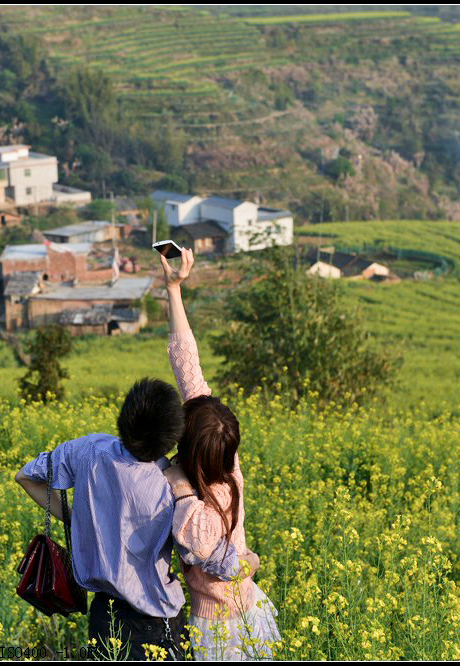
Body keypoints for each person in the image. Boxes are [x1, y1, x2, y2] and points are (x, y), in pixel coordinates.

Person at [15, 373, 258, 661]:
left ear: (125, 416)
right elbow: (205, 553)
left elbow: (26, 476)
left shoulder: (89, 449)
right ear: (172, 438)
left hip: (103, 617)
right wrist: (247, 563)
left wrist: (78, 519)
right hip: (156, 621)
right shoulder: (172, 485)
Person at [158, 247, 282, 661]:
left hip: (221, 631)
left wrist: (253, 560)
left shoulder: (195, 513)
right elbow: (187, 364)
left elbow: (233, 566)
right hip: (247, 608)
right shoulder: (228, 464)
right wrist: (174, 290)